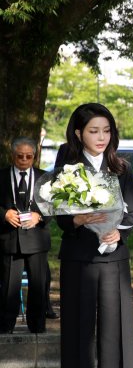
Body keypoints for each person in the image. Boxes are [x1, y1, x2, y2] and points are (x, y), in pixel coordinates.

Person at [55, 103, 133, 368]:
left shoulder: (122, 167)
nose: (101, 137)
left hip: (114, 259)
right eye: (93, 131)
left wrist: (122, 231)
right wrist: (76, 219)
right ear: (78, 133)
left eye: (106, 130)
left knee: (113, 332)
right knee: (79, 333)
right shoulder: (67, 167)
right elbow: (59, 215)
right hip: (79, 259)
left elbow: (132, 212)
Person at [0, 137, 51, 333]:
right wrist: (4, 214)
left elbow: (53, 206)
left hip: (36, 239)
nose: (24, 160)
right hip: (9, 239)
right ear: (12, 156)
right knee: (8, 288)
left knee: (38, 286)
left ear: (34, 156)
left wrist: (39, 215)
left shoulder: (44, 178)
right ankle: (5, 329)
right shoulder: (2, 176)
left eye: (28, 156)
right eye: (20, 156)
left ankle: (37, 328)